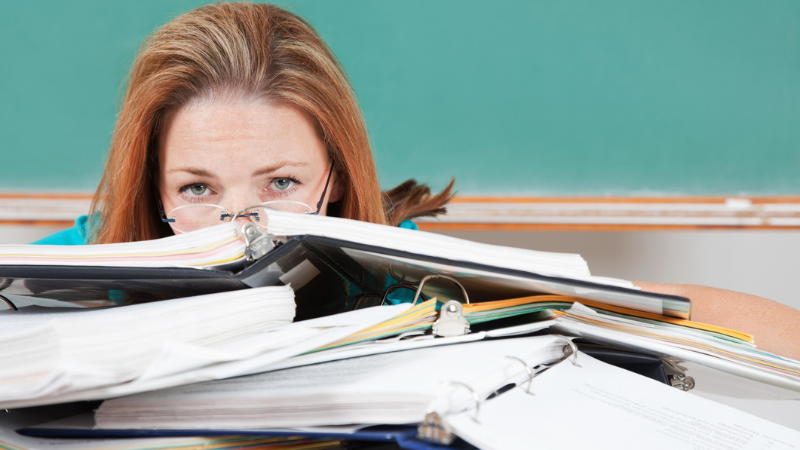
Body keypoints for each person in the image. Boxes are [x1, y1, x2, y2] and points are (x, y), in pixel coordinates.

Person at [32, 2, 800, 360]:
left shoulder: (410, 274)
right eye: (198, 190)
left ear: (333, 177)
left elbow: (701, 319)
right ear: (155, 188)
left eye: (281, 184)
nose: (242, 225)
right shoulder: (80, 263)